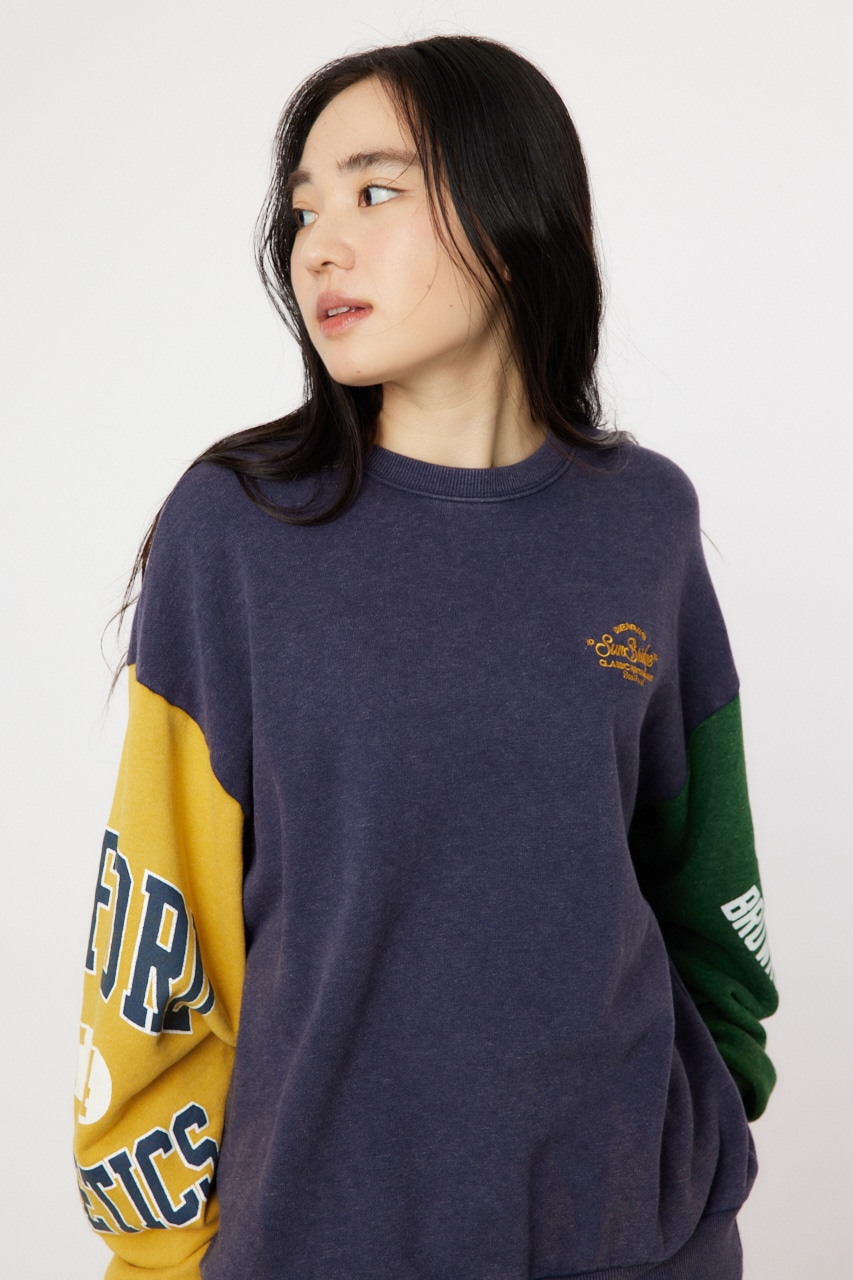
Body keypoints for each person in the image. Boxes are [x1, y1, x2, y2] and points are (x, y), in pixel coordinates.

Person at [73, 33, 779, 1280]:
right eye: (305, 209)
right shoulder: (239, 529)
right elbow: (156, 930)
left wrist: (709, 1109)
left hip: (641, 1238)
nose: (319, 246)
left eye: (376, 190)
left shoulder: (643, 520)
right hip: (322, 1239)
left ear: (511, 215)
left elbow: (707, 879)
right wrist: (159, 1244)